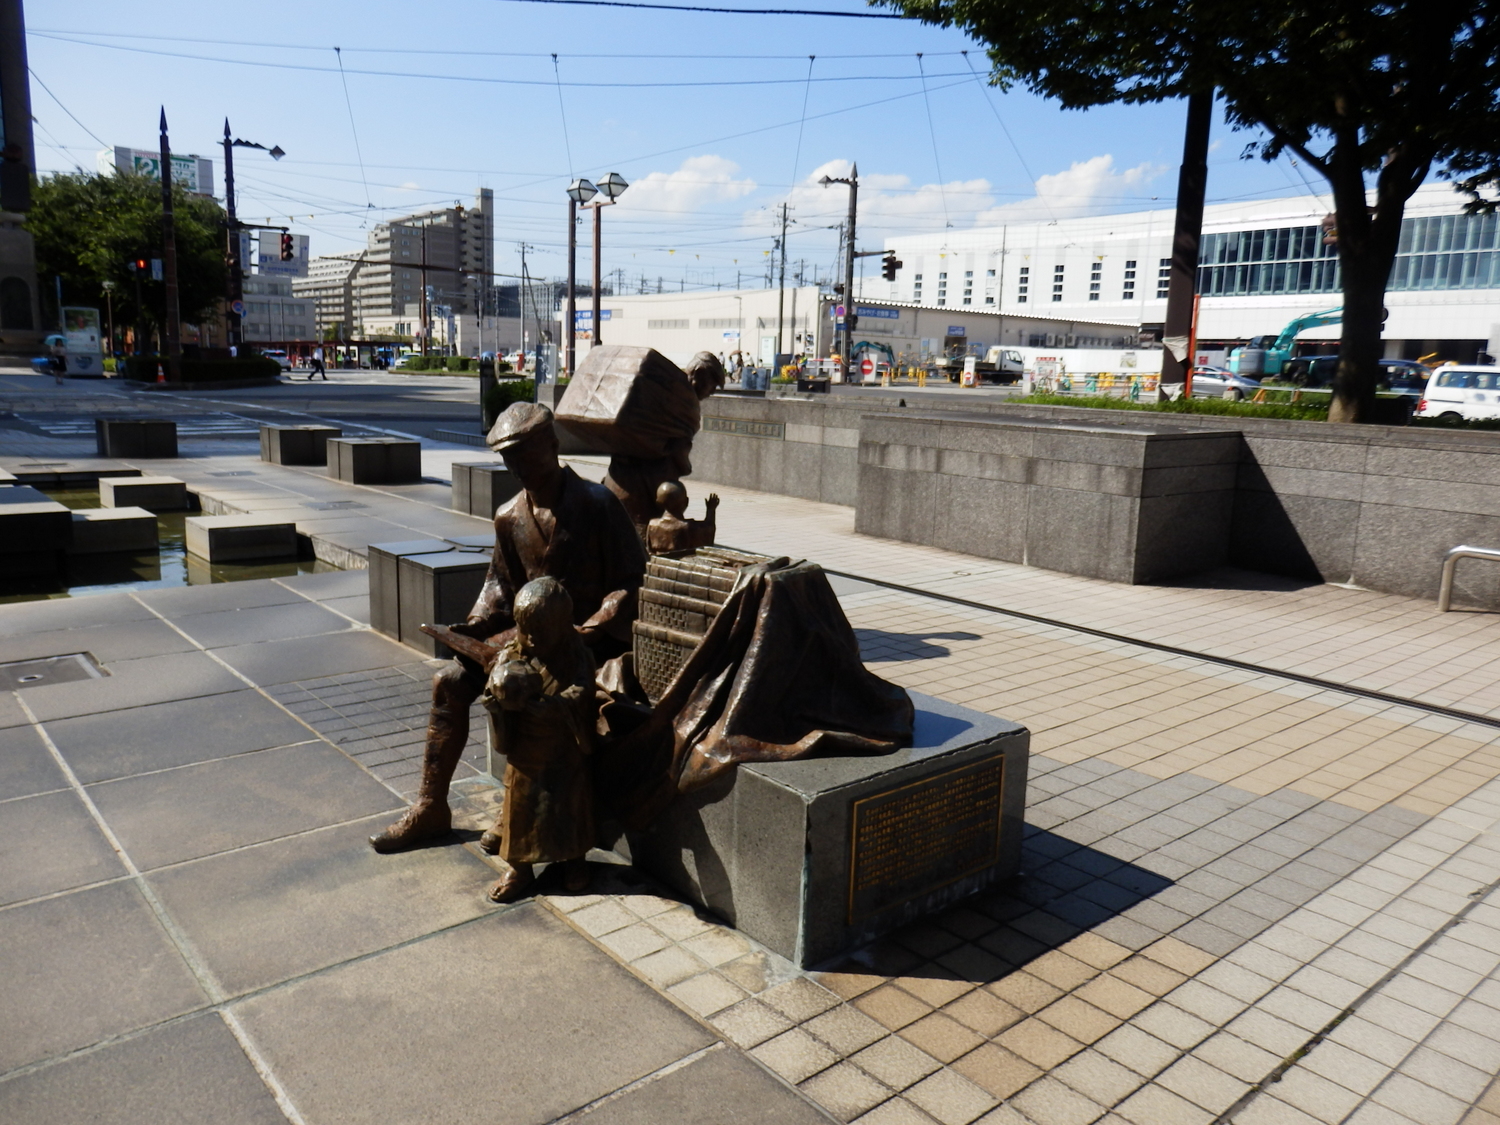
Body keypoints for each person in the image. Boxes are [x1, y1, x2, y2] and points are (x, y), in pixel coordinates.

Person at [368, 401, 645, 855]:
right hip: (525, 638)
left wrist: (593, 627)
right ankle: (431, 805)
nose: (519, 469)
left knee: (524, 686)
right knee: (450, 681)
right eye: (510, 460)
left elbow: (629, 582)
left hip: (582, 644)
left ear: (553, 447)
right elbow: (498, 586)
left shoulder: (597, 504)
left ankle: (514, 812)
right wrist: (474, 627)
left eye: (527, 456)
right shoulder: (509, 516)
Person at [478, 576, 597, 902]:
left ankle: (574, 860)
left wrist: (555, 706)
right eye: (524, 628)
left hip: (563, 750)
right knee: (519, 809)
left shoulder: (576, 656)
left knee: (568, 807)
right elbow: (494, 684)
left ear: (562, 626)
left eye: (540, 631)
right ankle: (519, 868)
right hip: (524, 754)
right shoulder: (513, 653)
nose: (530, 638)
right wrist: (497, 700)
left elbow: (583, 690)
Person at [646, 481, 718, 556]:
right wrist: (711, 510)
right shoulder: (689, 527)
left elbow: (649, 551)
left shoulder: (652, 524)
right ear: (686, 502)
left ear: (658, 503)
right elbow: (708, 529)